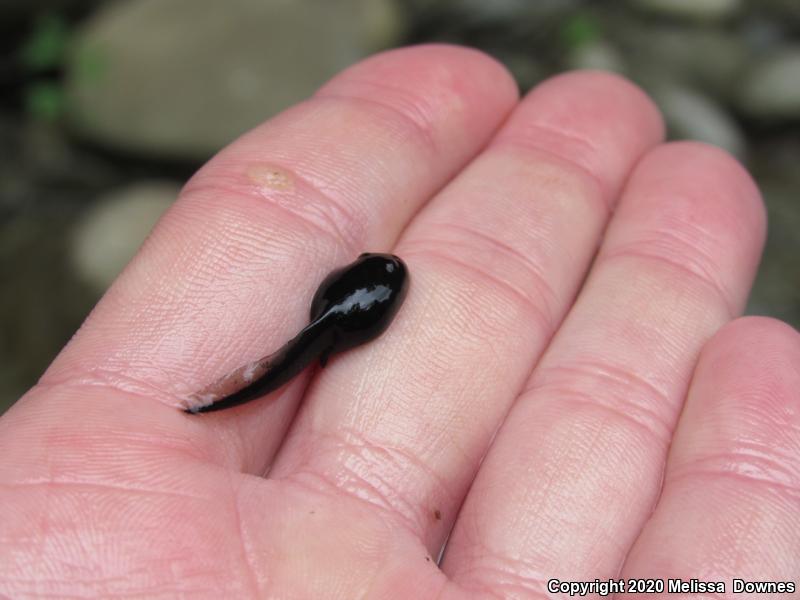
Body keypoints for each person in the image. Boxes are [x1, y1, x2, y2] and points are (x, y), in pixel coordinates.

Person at [0, 45, 797, 598]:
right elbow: (366, 292)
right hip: (339, 321)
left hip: (338, 320)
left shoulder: (337, 315)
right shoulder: (337, 318)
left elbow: (363, 291)